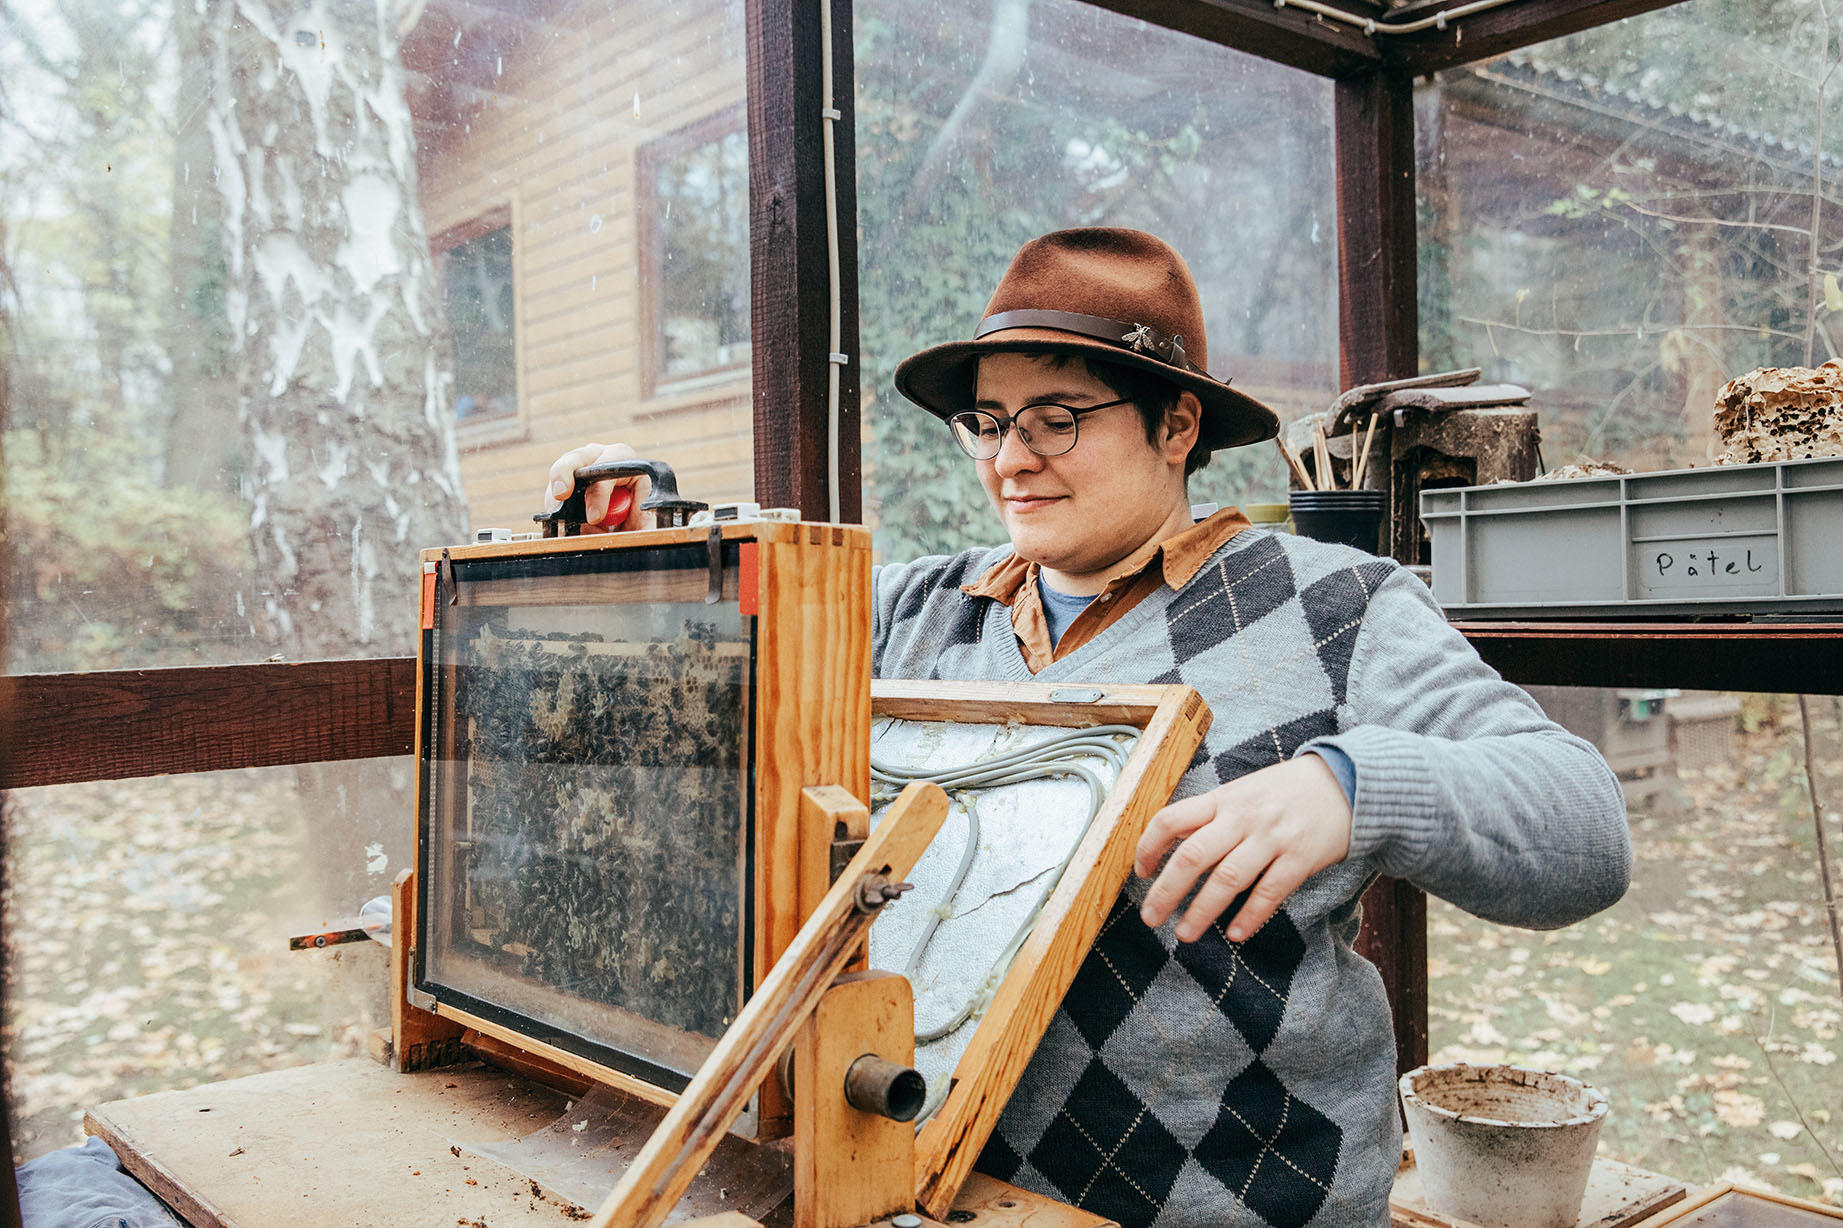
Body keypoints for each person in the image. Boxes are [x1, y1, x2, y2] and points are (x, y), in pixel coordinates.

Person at [545, 228, 1630, 1228]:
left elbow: (1584, 829)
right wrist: (649, 558)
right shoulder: (909, 612)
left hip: (1237, 1205)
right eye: (986, 420)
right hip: (927, 1184)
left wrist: (1352, 787)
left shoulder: (1336, 607)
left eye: (1055, 417)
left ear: (1176, 422)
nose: (1009, 458)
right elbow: (679, 726)